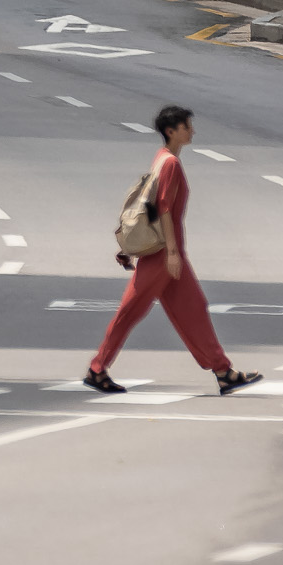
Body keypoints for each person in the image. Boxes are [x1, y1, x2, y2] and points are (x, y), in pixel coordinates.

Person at [84, 105, 263, 395]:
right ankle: (97, 369)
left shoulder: (162, 159)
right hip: (163, 256)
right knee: (130, 312)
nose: (192, 131)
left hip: (167, 254)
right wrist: (171, 253)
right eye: (186, 127)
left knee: (194, 309)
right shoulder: (170, 164)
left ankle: (223, 372)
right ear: (172, 131)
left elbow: (149, 207)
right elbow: (164, 208)